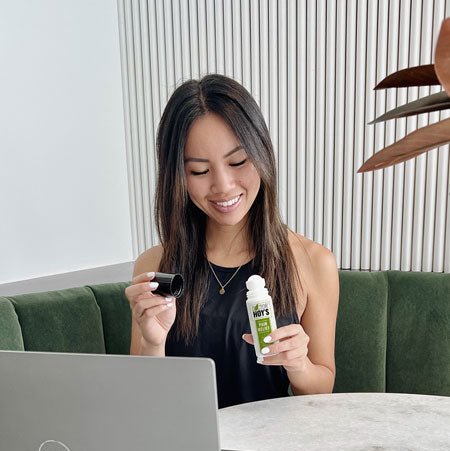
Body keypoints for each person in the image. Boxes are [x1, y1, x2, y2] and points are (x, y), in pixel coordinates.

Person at [125, 74, 339, 409]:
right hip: (183, 448)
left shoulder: (314, 261)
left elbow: (321, 390)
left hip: (271, 450)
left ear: (261, 153)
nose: (223, 186)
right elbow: (142, 400)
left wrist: (299, 365)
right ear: (177, 178)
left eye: (238, 162)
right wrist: (153, 344)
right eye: (199, 171)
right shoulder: (156, 266)